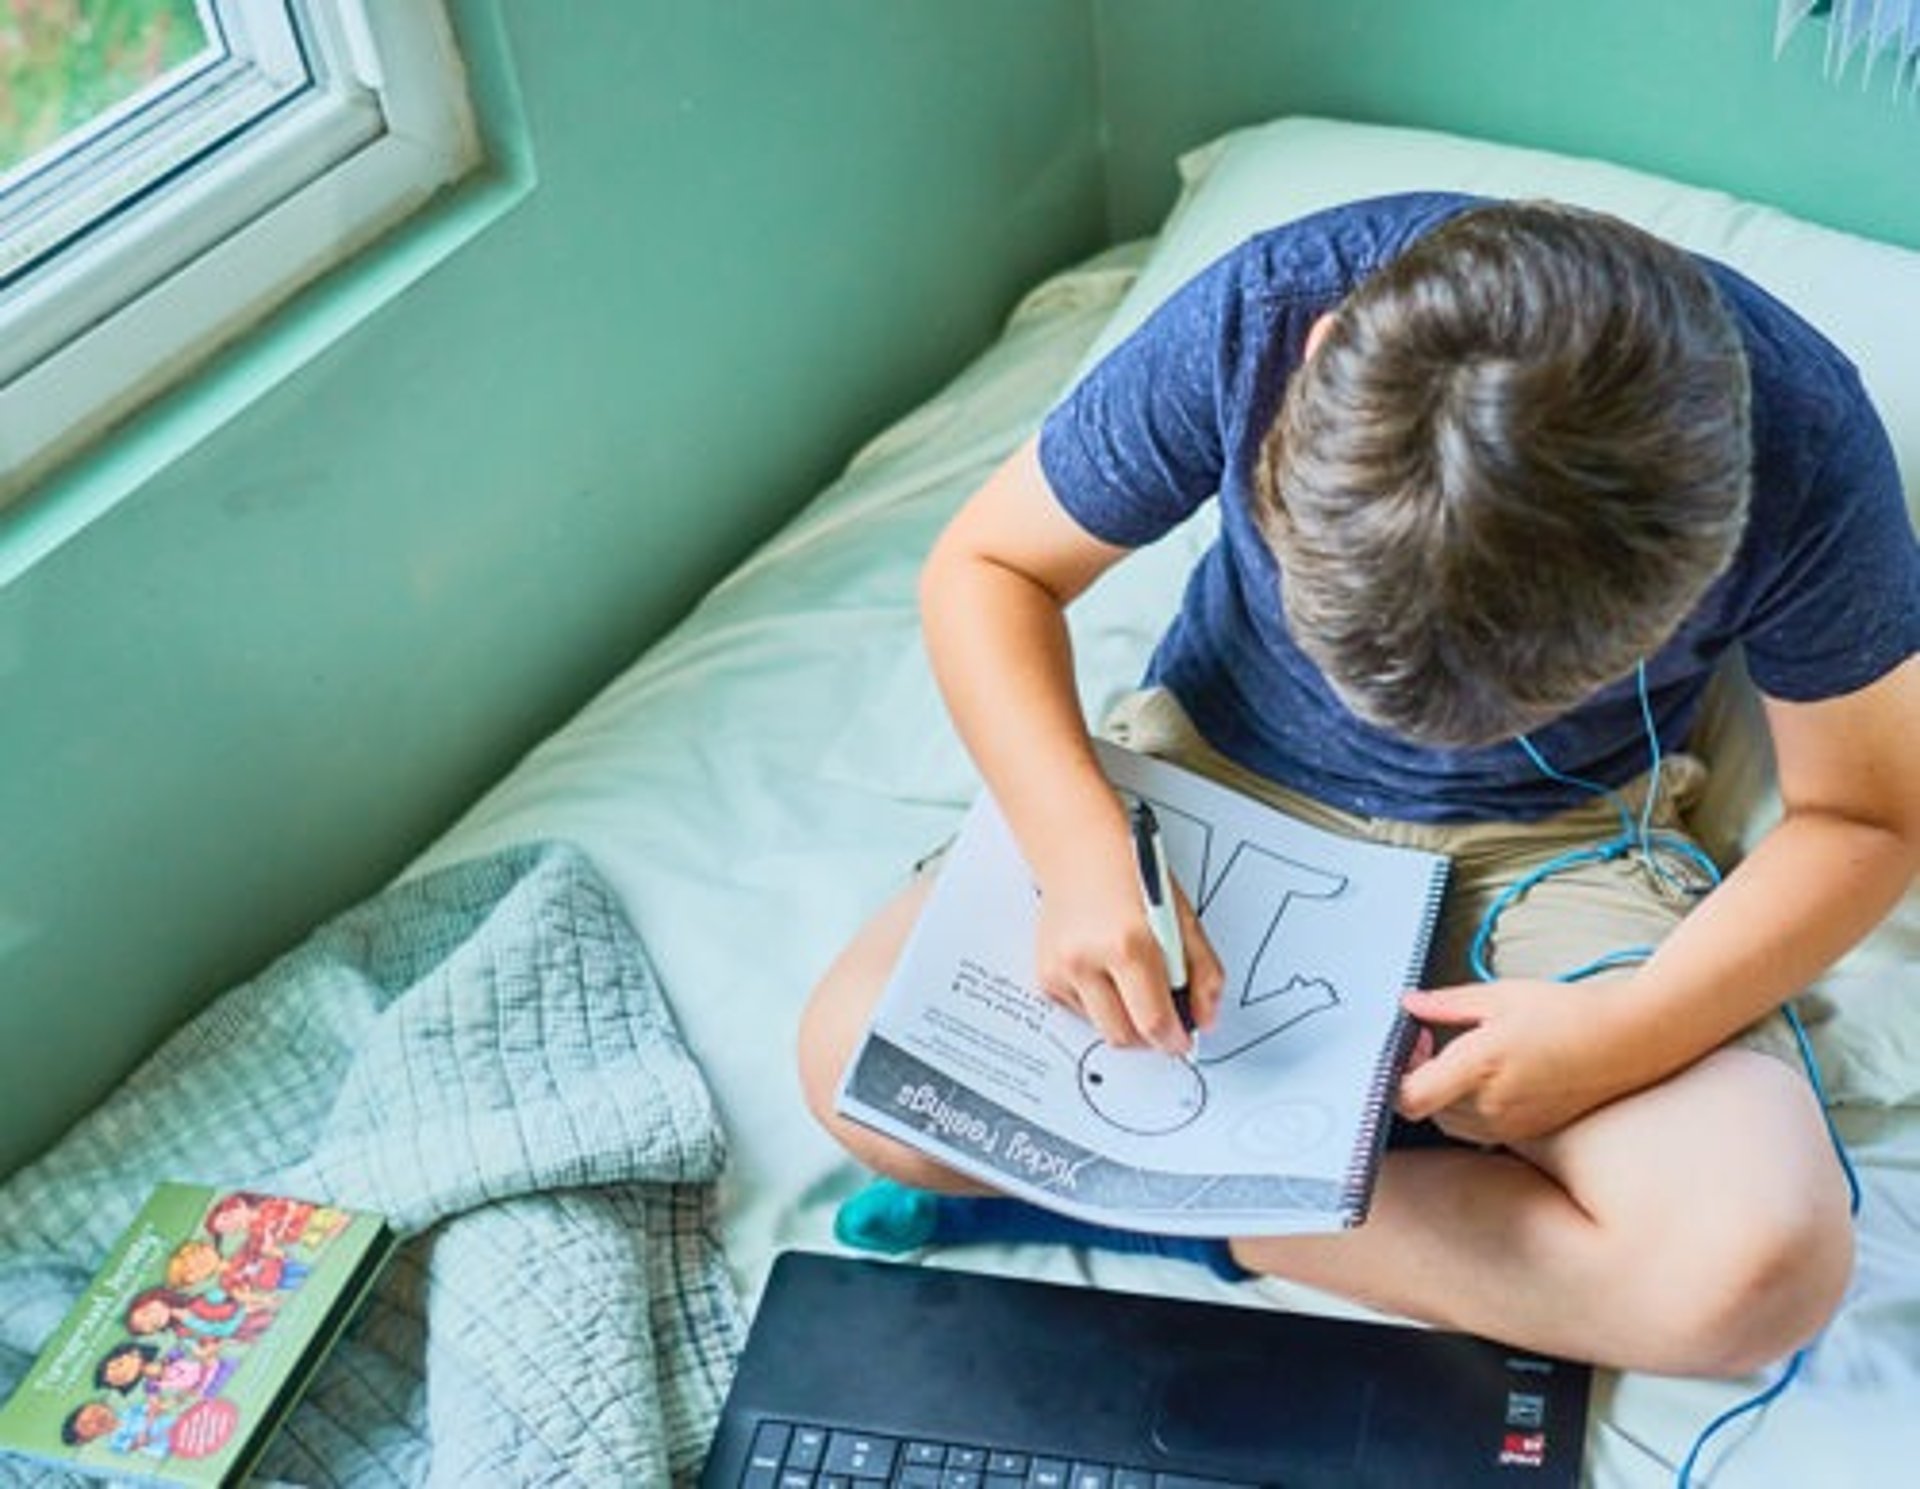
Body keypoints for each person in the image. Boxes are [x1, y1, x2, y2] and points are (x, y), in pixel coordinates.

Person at [796, 194, 1920, 1378]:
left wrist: (1619, 1037)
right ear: (1320, 354)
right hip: (1221, 774)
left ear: (1707, 545)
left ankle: (1128, 1190)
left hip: (1554, 841)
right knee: (851, 1064)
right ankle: (1284, 1192)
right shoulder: (1266, 312)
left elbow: (1866, 814)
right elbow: (989, 565)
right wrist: (1080, 851)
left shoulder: (1795, 441)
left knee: (1758, 1269)